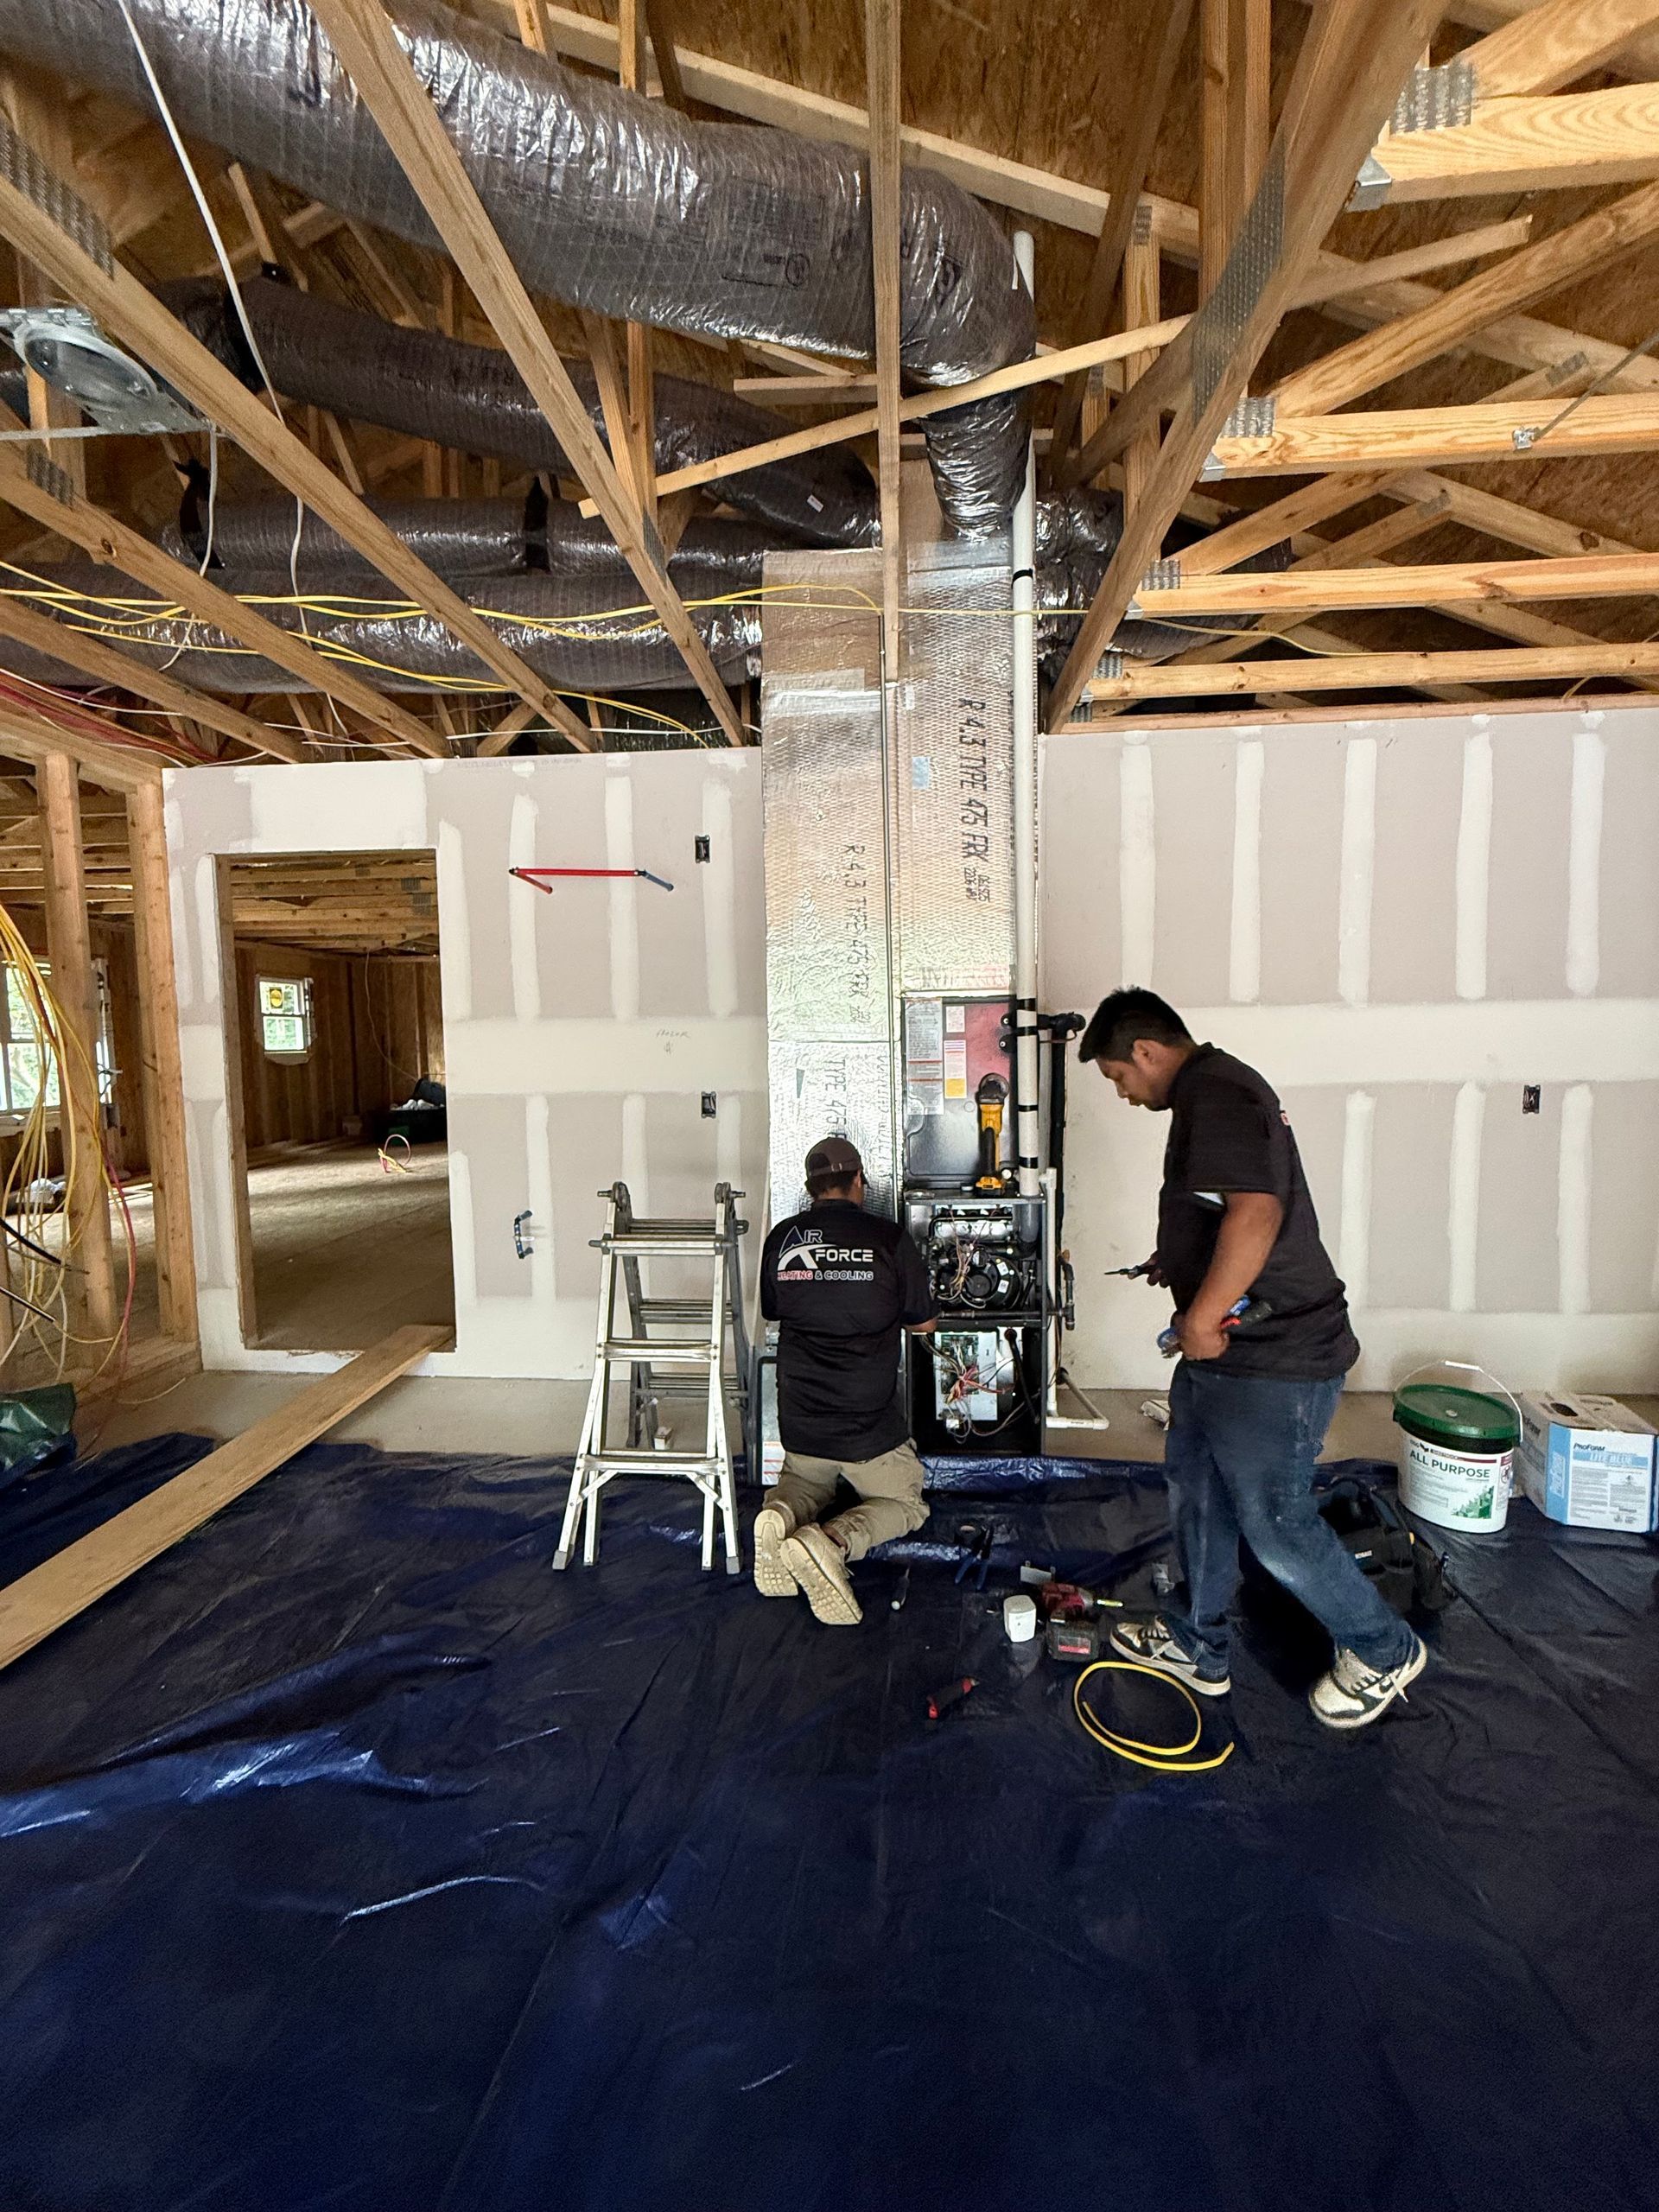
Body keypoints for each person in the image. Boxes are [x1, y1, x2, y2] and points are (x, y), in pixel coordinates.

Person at [1079, 988, 1426, 1732]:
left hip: (1277, 1351)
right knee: (1199, 1490)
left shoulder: (1220, 1092)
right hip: (1231, 1352)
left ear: (1146, 1050)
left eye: (1118, 1077)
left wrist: (1203, 1316)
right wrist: (1179, 1259)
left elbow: (1257, 1212)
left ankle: (1383, 1647)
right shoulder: (1210, 1095)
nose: (1124, 1093)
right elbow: (1222, 1206)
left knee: (1274, 1519)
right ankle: (1197, 1645)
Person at [754, 1136, 938, 1625]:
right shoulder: (890, 1238)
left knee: (805, 1483)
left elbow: (774, 1313)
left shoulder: (783, 1238)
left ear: (811, 1188)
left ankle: (779, 1516)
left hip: (802, 1421)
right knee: (906, 1503)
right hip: (868, 1430)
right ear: (858, 1181)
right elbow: (924, 1324)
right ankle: (830, 1542)